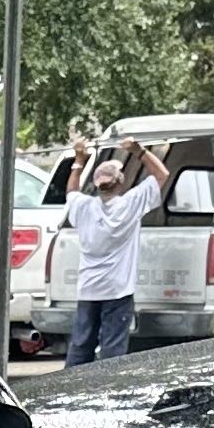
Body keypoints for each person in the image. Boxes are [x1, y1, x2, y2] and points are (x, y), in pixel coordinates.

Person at [60, 137, 159, 367]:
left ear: (96, 184)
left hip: (88, 289)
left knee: (80, 346)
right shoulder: (129, 205)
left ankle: (70, 388)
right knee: (112, 349)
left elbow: (71, 190)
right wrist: (139, 151)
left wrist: (79, 160)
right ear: (120, 182)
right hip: (117, 290)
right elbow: (161, 175)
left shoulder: (83, 207)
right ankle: (108, 391)